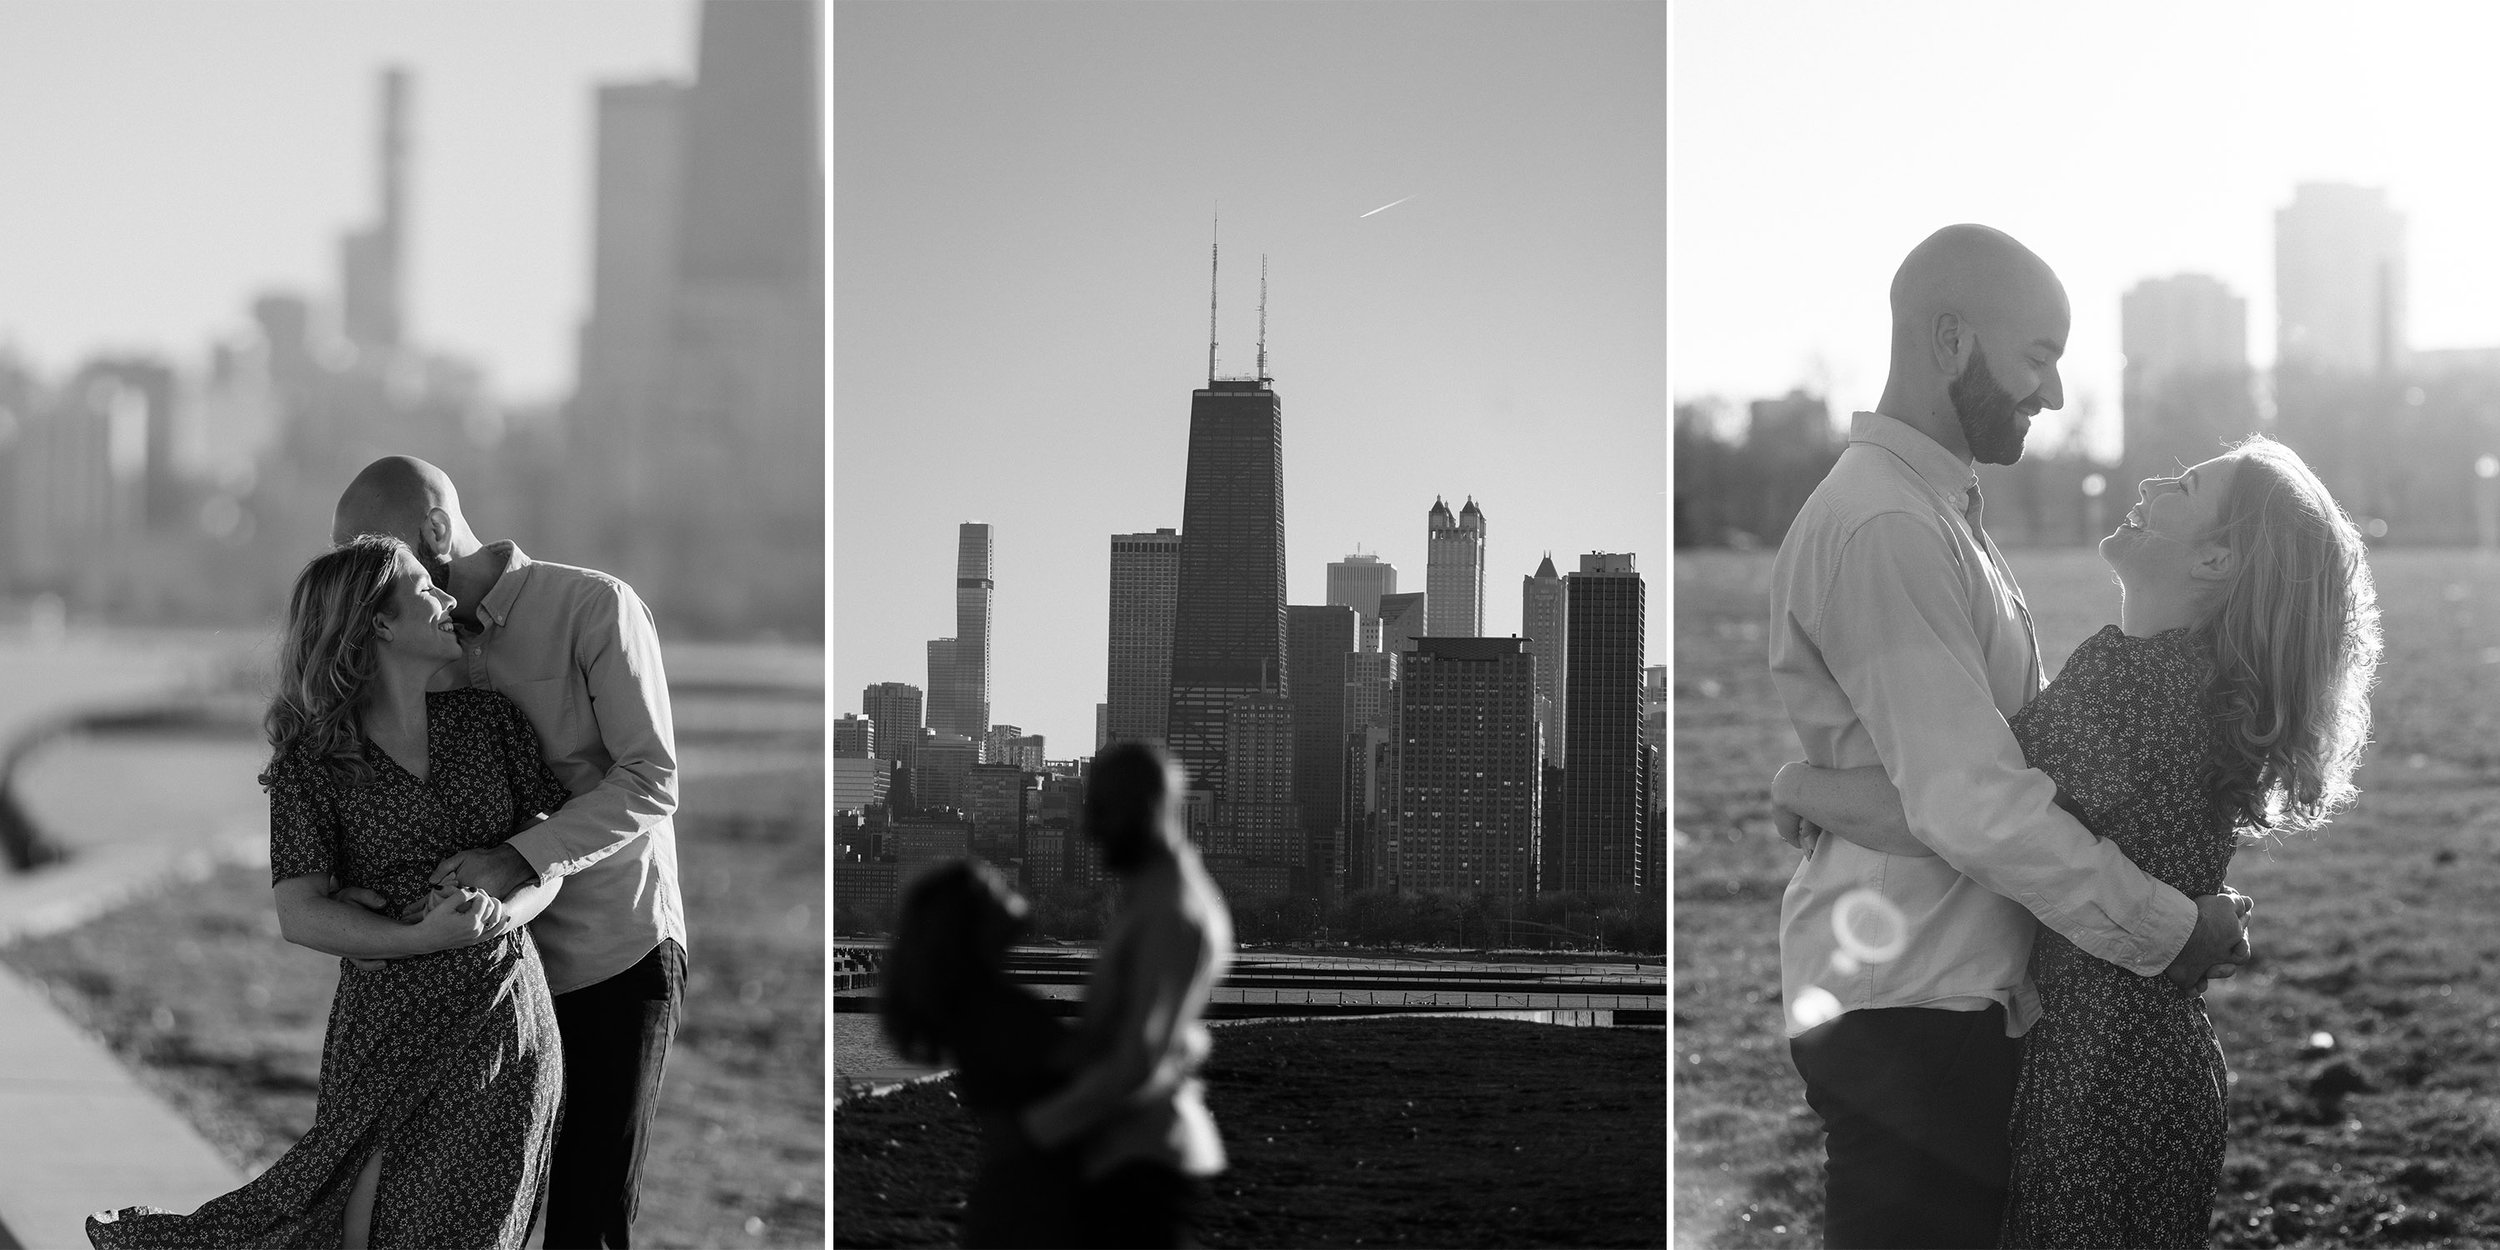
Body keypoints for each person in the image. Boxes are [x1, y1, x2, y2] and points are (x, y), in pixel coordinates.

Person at [1765, 224, 2255, 1249]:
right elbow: (1970, 797)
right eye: (2039, 355)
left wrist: (1807, 782)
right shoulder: (1887, 524)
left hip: (1950, 1000)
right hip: (1913, 1010)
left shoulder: (1937, 514)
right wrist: (2171, 930)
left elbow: (1987, 771)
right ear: (1952, 340)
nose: (2056, 394)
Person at [1775, 435, 2379, 1247]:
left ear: (2214, 560)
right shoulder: (2203, 683)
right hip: (2160, 1056)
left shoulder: (2131, 684)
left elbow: (1954, 802)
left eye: (2185, 485)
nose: (2155, 481)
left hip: (2100, 1064)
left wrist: (1797, 787)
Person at [88, 537, 572, 1249]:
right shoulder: (312, 764)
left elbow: (553, 856)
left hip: (505, 1023)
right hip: (387, 1028)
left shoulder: (488, 723)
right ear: (377, 622)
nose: (447, 599)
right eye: (425, 590)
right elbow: (299, 911)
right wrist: (418, 939)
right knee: (347, 1223)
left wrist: (505, 912)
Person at [330, 456, 684, 1249]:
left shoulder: (594, 606)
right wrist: (356, 893)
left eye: (376, 551)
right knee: (468, 1216)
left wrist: (519, 859)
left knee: (587, 1217)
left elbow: (651, 779)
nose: (364, 577)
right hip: (473, 978)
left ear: (433, 532)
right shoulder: (408, 641)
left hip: (611, 953)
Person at [1020, 742, 1233, 1249]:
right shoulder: (1155, 900)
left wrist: (1036, 1129)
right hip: (1125, 1157)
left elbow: (1139, 1058)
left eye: (1099, 810)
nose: (1088, 828)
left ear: (1146, 808)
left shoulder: (1170, 911)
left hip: (1142, 1165)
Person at [880, 860, 1079, 1248]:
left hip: (1014, 1198)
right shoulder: (997, 1010)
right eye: (999, 889)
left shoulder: (971, 1005)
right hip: (1034, 1204)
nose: (1012, 891)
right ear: (975, 923)